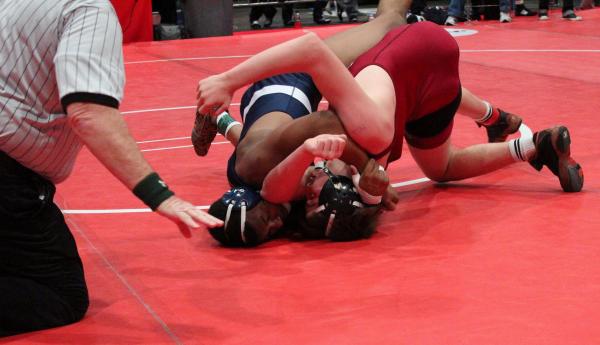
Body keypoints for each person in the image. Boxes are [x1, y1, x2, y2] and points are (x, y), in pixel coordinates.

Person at [196, 21, 584, 227]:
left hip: (412, 66)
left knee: (389, 31)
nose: (309, 193)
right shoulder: (356, 143)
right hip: (425, 69)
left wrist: (227, 83)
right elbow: (330, 160)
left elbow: (310, 52)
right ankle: (532, 143)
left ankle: (503, 124)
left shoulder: (361, 146)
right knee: (441, 168)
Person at [0, 0, 222, 336]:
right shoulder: (89, 10)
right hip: (8, 173)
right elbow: (88, 112)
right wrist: (159, 195)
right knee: (59, 293)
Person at [192, 0, 413, 247]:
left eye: (266, 218)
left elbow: (324, 122)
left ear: (251, 199)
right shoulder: (249, 176)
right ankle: (215, 116)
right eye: (268, 233)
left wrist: (368, 168)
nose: (276, 225)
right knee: (256, 148)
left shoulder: (257, 168)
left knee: (391, 22)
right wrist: (221, 121)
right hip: (266, 121)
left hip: (291, 77)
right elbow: (243, 138)